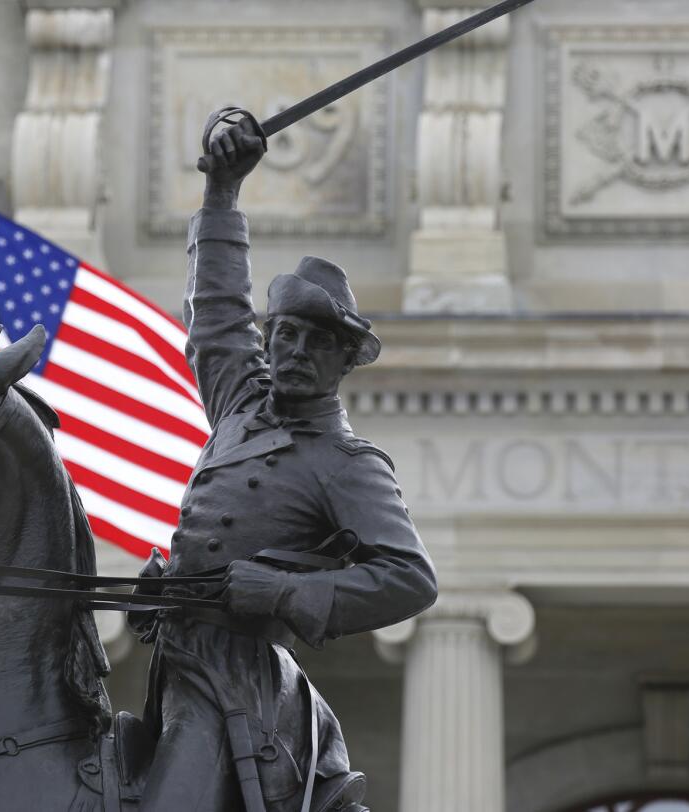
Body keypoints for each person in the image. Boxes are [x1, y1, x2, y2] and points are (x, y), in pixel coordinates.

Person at [133, 114, 437, 812]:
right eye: (286, 334)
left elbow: (410, 580)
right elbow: (214, 313)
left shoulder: (346, 463)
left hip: (239, 686)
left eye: (315, 342)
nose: (294, 352)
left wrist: (284, 596)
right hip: (176, 657)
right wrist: (220, 197)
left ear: (342, 360)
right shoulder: (241, 401)